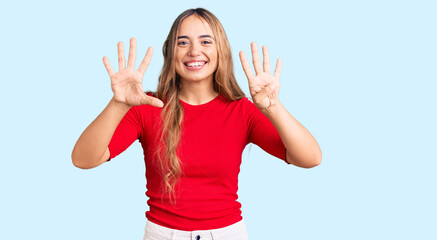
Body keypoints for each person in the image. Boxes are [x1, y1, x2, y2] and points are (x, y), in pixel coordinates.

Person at [71, 8, 321, 240]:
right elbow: (83, 159)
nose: (194, 51)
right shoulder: (147, 107)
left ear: (220, 50)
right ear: (171, 52)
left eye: (205, 41)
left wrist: (272, 107)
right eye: (183, 42)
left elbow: (309, 158)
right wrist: (119, 104)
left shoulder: (242, 111)